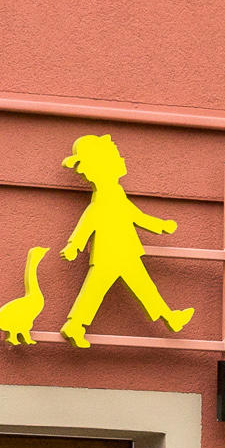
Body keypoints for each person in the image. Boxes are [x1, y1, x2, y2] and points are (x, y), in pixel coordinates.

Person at [53, 134, 191, 347]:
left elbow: (134, 215)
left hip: (124, 251)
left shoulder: (115, 193)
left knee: (144, 288)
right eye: (116, 157)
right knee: (96, 291)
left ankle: (169, 317)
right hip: (110, 254)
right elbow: (91, 218)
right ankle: (74, 325)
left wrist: (160, 225)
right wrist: (75, 245)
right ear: (103, 166)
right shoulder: (104, 197)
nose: (122, 160)